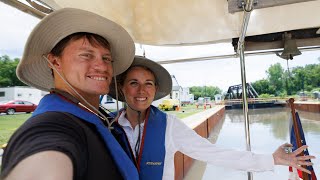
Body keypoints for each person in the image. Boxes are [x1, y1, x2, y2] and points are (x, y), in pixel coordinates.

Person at [108, 56, 316, 180]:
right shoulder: (107, 125)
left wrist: (271, 159)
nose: (141, 90)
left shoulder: (169, 126)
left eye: (148, 84)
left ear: (156, 89)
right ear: (122, 87)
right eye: (134, 83)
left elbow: (217, 154)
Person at [0, 8, 139, 180]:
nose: (102, 66)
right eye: (86, 55)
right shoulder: (52, 125)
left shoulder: (98, 118)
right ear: (54, 61)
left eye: (106, 58)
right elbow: (44, 150)